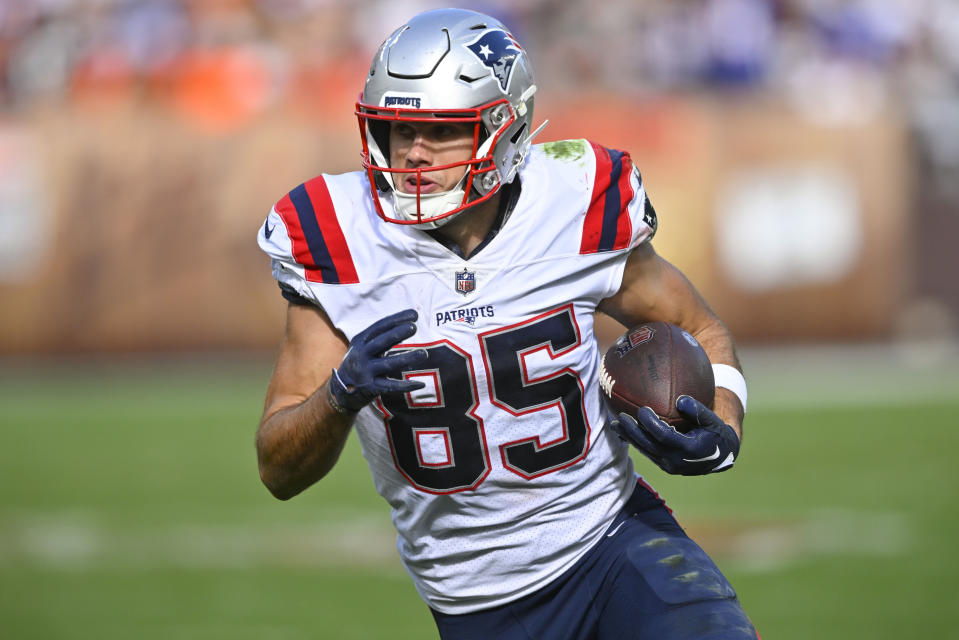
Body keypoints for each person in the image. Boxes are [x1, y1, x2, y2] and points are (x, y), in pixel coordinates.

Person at [256, 8, 757, 639]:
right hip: (478, 603)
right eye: (395, 129)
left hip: (612, 544)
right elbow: (277, 469)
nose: (411, 153)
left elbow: (700, 328)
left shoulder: (574, 198)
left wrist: (725, 424)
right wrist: (338, 397)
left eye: (439, 132)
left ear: (503, 127)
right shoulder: (336, 235)